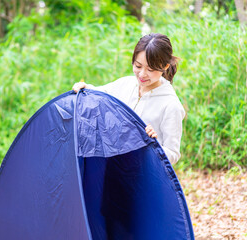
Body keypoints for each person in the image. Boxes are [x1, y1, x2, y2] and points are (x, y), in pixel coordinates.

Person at [72, 33, 185, 164]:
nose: (142, 74)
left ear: (165, 67)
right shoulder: (125, 84)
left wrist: (153, 146)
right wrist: (85, 88)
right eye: (138, 66)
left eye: (150, 69)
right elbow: (101, 95)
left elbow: (173, 154)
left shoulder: (171, 105)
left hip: (142, 174)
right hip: (114, 167)